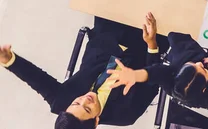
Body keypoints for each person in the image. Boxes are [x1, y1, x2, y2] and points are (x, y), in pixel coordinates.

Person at [0, 13, 168, 128]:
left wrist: (9, 60)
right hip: (145, 44)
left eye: (76, 103)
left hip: (107, 35)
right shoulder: (125, 114)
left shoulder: (61, 101)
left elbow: (35, 78)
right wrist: (152, 45)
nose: (85, 100)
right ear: (95, 122)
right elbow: (154, 79)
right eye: (87, 108)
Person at [107, 31, 208, 109]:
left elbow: (155, 73)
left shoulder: (179, 64)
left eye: (195, 65)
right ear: (204, 88)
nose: (202, 63)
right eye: (205, 69)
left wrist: (135, 75)